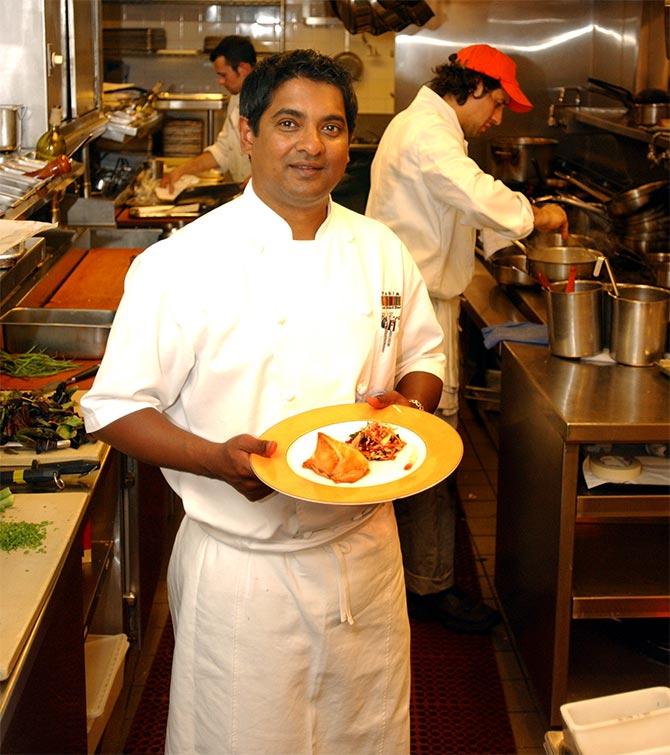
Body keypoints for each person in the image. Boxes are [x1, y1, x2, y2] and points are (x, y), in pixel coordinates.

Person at [81, 49, 446, 755]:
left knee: (364, 734)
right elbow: (117, 408)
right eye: (289, 123)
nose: (312, 146)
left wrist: (408, 408)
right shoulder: (181, 264)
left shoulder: (381, 251)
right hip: (243, 574)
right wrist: (216, 460)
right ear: (247, 135)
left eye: (332, 127)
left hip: (364, 557)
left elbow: (426, 356)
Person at [366, 44, 569, 634]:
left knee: (419, 435)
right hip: (417, 307)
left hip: (420, 300)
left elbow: (462, 209)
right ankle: (429, 587)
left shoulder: (431, 128)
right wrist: (540, 215)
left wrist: (509, 239)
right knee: (430, 438)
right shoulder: (429, 134)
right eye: (499, 104)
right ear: (473, 87)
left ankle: (415, 575)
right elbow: (479, 195)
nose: (499, 119)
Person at [160, 35, 256, 192]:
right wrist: (180, 171)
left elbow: (281, 156)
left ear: (243, 69)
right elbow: (222, 150)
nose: (220, 81)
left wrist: (258, 180)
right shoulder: (236, 99)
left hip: (265, 199)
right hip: (245, 194)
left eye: (223, 75)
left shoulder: (269, 101)